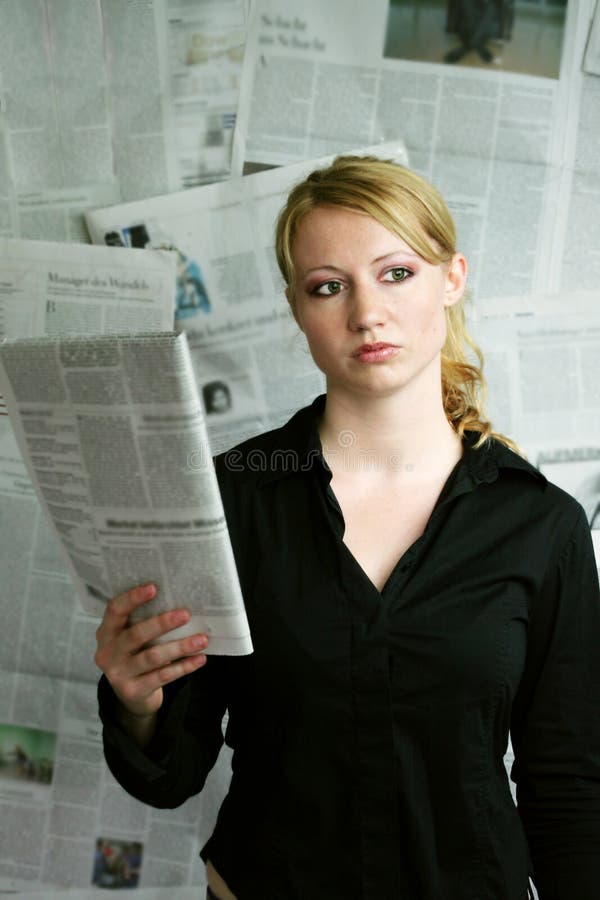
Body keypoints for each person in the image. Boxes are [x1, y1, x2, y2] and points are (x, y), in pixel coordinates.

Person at [94, 156, 600, 900]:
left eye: (396, 273)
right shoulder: (229, 499)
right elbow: (173, 776)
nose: (367, 313)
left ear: (451, 278)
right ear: (299, 309)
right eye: (328, 287)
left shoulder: (541, 525)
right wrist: (138, 706)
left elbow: (571, 784)